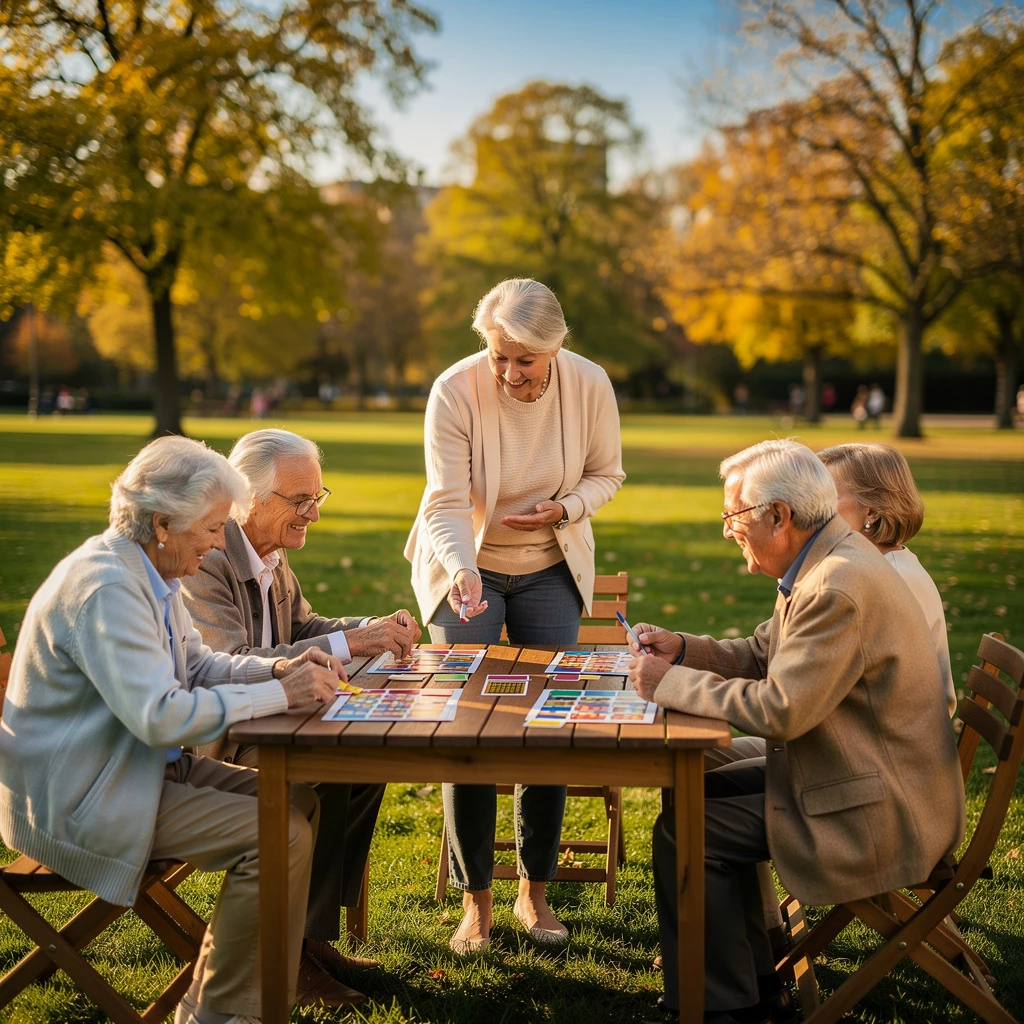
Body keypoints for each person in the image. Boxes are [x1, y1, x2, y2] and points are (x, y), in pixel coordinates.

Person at [0, 436, 353, 1024]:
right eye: (212, 528)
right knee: (280, 834)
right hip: (78, 800)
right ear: (162, 523)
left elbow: (197, 665)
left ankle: (237, 988)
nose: (219, 543)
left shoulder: (150, 572)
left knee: (298, 802)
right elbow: (158, 715)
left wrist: (280, 669)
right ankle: (220, 1012)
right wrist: (279, 693)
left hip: (134, 771)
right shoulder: (108, 587)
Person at [627, 439, 964, 1024]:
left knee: (688, 832)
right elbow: (763, 654)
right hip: (861, 772)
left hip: (882, 809)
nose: (727, 529)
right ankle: (755, 982)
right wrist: (682, 650)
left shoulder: (835, 585)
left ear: (779, 516)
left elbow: (782, 710)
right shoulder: (827, 558)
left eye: (733, 515)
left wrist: (668, 684)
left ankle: (726, 1008)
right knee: (697, 791)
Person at [405, 277, 625, 954]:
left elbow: (607, 474)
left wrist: (566, 508)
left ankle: (535, 891)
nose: (508, 373)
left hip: (549, 563)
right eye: (499, 356)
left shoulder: (590, 384)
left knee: (546, 722)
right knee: (466, 725)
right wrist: (461, 568)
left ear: (555, 348)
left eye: (524, 360)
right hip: (466, 563)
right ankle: (476, 901)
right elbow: (445, 501)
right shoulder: (455, 389)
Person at [181, 427, 422, 999]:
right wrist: (354, 643)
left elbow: (304, 627)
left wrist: (369, 628)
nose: (313, 513)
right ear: (250, 499)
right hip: (224, 737)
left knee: (365, 764)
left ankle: (310, 939)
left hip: (277, 721)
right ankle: (287, 958)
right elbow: (232, 658)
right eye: (300, 500)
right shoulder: (210, 558)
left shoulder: (270, 551)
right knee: (325, 771)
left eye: (318, 497)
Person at [819, 442, 955, 714]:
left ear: (871, 511)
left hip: (887, 738)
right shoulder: (876, 565)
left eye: (828, 496)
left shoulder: (892, 579)